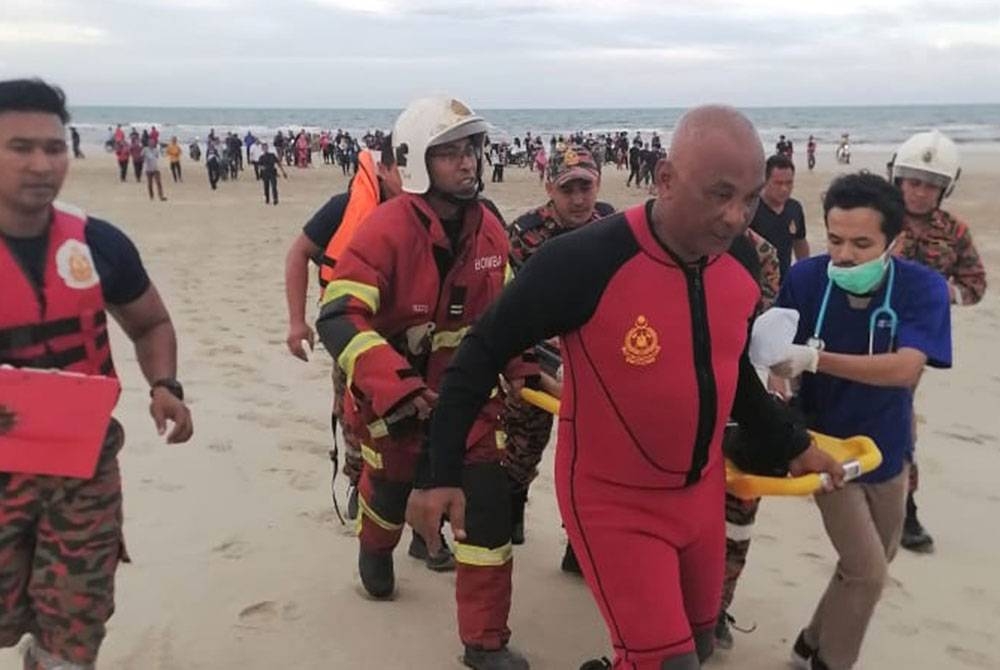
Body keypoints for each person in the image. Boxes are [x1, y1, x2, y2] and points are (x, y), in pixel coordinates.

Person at [407, 105, 843, 670]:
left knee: (701, 644)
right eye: (719, 194)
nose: (737, 216)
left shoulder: (738, 259)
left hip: (701, 497)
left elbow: (729, 372)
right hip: (614, 502)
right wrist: (440, 475)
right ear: (664, 179)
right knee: (671, 664)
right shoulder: (586, 260)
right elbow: (479, 353)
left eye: (751, 197)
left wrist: (794, 443)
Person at [315, 96, 536, 670]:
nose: (467, 163)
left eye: (471, 149)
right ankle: (375, 550)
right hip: (397, 408)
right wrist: (399, 388)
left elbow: (504, 316)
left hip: (469, 408)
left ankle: (484, 643)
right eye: (450, 153)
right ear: (417, 162)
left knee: (487, 510)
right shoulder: (383, 230)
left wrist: (524, 371)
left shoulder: (490, 228)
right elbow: (339, 316)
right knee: (389, 497)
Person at [0, 78, 193, 670]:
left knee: (78, 618)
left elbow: (151, 323)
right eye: (20, 148)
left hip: (83, 470)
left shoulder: (99, 243)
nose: (42, 164)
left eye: (54, 148)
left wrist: (165, 387)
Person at [768, 172, 952, 670]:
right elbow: (771, 352)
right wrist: (778, 381)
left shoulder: (923, 288)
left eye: (861, 243)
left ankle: (808, 642)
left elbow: (904, 368)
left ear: (895, 240)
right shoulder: (806, 279)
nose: (844, 255)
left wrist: (814, 360)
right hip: (826, 447)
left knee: (871, 562)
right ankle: (831, 662)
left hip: (888, 447)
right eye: (834, 240)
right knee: (868, 572)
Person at [283, 138, 405, 533]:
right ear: (383, 169)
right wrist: (296, 322)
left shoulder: (431, 210)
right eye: (402, 166)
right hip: (352, 331)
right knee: (354, 416)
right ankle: (357, 480)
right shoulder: (344, 206)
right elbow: (298, 253)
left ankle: (423, 523)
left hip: (412, 332)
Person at [502, 144, 615, 568]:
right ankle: (511, 511)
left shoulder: (612, 228)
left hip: (593, 361)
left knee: (590, 463)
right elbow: (507, 309)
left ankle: (578, 547)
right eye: (568, 189)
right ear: (550, 187)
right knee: (522, 447)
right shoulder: (524, 234)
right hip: (535, 352)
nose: (579, 198)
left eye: (586, 186)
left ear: (598, 184)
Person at [886, 129, 986, 553]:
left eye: (931, 185)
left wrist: (948, 294)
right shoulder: (878, 216)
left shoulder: (955, 232)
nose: (921, 193)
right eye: (914, 182)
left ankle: (904, 509)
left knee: (898, 421)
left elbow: (975, 284)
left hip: (912, 344)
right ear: (899, 180)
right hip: (862, 329)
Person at [750, 154, 809, 280]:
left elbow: (800, 242)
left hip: (785, 280)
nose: (784, 189)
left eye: (789, 183)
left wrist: (805, 271)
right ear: (765, 181)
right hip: (756, 280)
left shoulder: (795, 208)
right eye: (778, 183)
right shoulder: (751, 209)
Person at [141, 137, 166, 201]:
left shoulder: (156, 150)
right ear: (148, 143)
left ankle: (161, 196)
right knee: (150, 184)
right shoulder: (145, 149)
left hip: (156, 168)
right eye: (151, 142)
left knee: (158, 182)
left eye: (153, 142)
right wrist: (144, 159)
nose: (152, 143)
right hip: (148, 169)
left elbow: (157, 157)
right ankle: (151, 196)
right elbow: (141, 156)